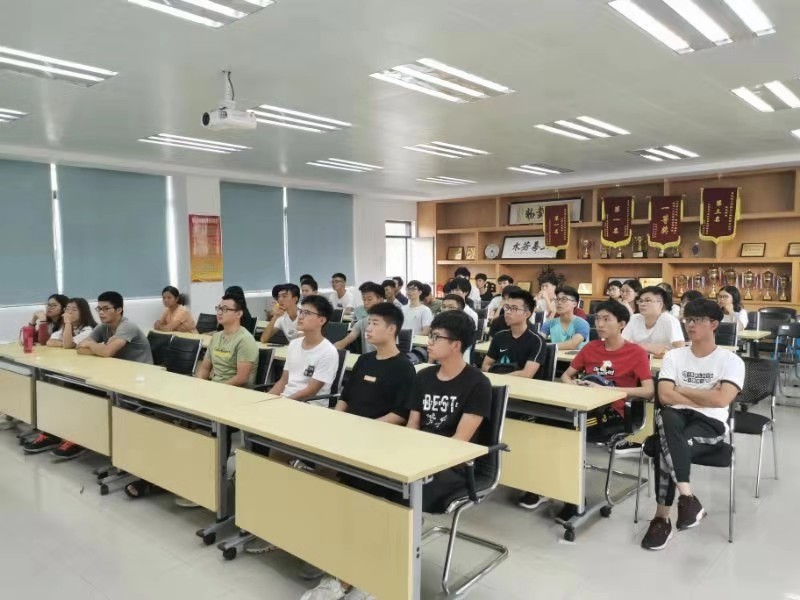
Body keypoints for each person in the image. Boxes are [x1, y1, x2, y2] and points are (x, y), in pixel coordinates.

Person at [301, 302, 416, 600]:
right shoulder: (364, 360)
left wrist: (363, 430)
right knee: (314, 477)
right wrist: (337, 420)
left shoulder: (404, 367)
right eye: (368, 322)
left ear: (392, 329)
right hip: (350, 436)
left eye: (375, 323)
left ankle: (354, 570)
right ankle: (323, 550)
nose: (368, 327)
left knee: (357, 500)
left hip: (378, 442)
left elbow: (400, 414)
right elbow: (346, 396)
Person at [640, 299, 744, 551]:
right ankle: (687, 498)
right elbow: (665, 396)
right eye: (688, 319)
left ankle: (661, 519)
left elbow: (721, 400)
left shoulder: (731, 361)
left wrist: (682, 389)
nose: (690, 325)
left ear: (714, 324)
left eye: (697, 320)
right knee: (665, 416)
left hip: (710, 423)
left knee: (664, 445)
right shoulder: (674, 356)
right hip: (675, 417)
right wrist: (705, 394)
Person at [559, 300, 655, 521]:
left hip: (614, 414)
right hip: (584, 407)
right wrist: (573, 384)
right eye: (598, 319)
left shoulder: (636, 352)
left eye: (606, 319)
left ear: (621, 324)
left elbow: (649, 391)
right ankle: (547, 486)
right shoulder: (591, 348)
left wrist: (607, 391)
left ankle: (573, 497)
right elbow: (566, 375)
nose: (599, 324)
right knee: (548, 423)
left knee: (567, 431)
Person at [407, 311, 492, 512]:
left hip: (453, 464)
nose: (429, 342)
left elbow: (459, 440)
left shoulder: (478, 383)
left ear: (456, 345)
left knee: (409, 489)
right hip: (419, 452)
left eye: (437, 337)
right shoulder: (423, 376)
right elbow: (412, 424)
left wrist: (421, 460)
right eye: (431, 336)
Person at [24, 298, 98, 458]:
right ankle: (53, 432)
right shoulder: (65, 327)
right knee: (52, 393)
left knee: (68, 397)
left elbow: (66, 344)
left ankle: (75, 438)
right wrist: (65, 336)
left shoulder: (89, 329)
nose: (69, 313)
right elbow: (50, 342)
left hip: (88, 375)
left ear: (83, 312)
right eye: (67, 309)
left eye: (74, 309)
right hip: (69, 370)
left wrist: (67, 327)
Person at [268, 295, 340, 405]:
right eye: (300, 311)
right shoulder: (294, 344)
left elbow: (310, 391)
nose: (300, 316)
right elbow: (283, 381)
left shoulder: (328, 352)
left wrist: (283, 403)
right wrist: (266, 399)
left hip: (310, 405)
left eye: (307, 313)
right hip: (287, 400)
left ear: (321, 320)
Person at [197, 294, 259, 387]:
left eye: (225, 309)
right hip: (215, 387)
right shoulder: (216, 337)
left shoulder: (245, 340)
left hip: (235, 390)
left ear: (238, 314)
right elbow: (205, 368)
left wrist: (218, 389)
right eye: (219, 308)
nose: (219, 312)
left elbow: (242, 378)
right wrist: (199, 384)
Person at [77, 291, 153, 363]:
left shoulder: (127, 326)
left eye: (106, 309)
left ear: (119, 310)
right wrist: (101, 350)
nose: (101, 312)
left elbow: (107, 352)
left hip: (141, 369)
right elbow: (80, 348)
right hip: (120, 366)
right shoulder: (103, 326)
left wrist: (90, 344)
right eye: (99, 309)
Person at [621, 286, 684, 358]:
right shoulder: (634, 318)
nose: (642, 304)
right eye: (640, 301)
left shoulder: (670, 321)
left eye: (647, 300)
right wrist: (646, 346)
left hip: (664, 362)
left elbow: (680, 349)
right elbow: (621, 344)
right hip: (637, 360)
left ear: (660, 304)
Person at [335, 282, 385, 353]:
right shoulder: (363, 322)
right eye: (364, 299)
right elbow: (346, 340)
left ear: (380, 299)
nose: (366, 303)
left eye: (369, 299)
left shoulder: (390, 321)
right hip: (367, 359)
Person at [540, 285, 590, 351]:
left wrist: (545, 346)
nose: (559, 302)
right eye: (557, 299)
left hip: (576, 357)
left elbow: (572, 345)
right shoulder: (549, 324)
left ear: (574, 304)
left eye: (564, 299)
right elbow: (538, 341)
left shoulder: (582, 324)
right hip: (556, 356)